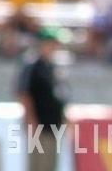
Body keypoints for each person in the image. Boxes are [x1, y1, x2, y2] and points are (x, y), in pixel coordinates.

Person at [17, 25, 70, 171]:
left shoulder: (53, 67)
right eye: (51, 43)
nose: (54, 47)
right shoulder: (32, 66)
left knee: (50, 165)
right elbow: (24, 93)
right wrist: (31, 120)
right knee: (38, 165)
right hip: (39, 127)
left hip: (54, 127)